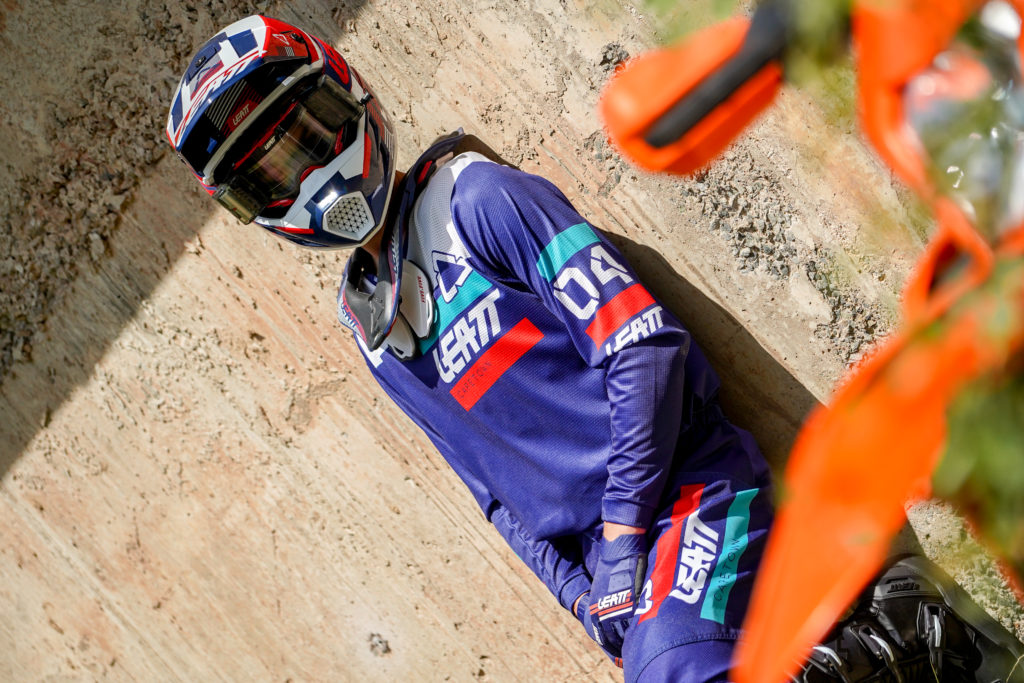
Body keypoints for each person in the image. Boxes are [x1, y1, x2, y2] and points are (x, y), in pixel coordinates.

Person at [166, 15, 1024, 682]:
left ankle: (911, 631)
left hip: (695, 492)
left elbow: (644, 347)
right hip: (621, 570)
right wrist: (584, 599)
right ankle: (884, 649)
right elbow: (496, 499)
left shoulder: (476, 201)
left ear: (347, 93)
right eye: (270, 175)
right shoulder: (373, 333)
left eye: (307, 135)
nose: (309, 177)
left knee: (674, 670)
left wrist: (620, 535)